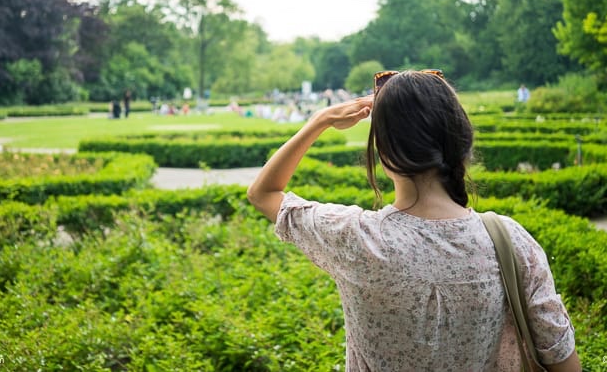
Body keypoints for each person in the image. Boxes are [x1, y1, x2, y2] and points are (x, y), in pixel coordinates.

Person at [247, 70, 580, 371]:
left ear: (385, 154)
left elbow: (263, 193)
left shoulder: (355, 238)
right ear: (462, 144)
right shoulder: (510, 241)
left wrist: (319, 120)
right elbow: (562, 360)